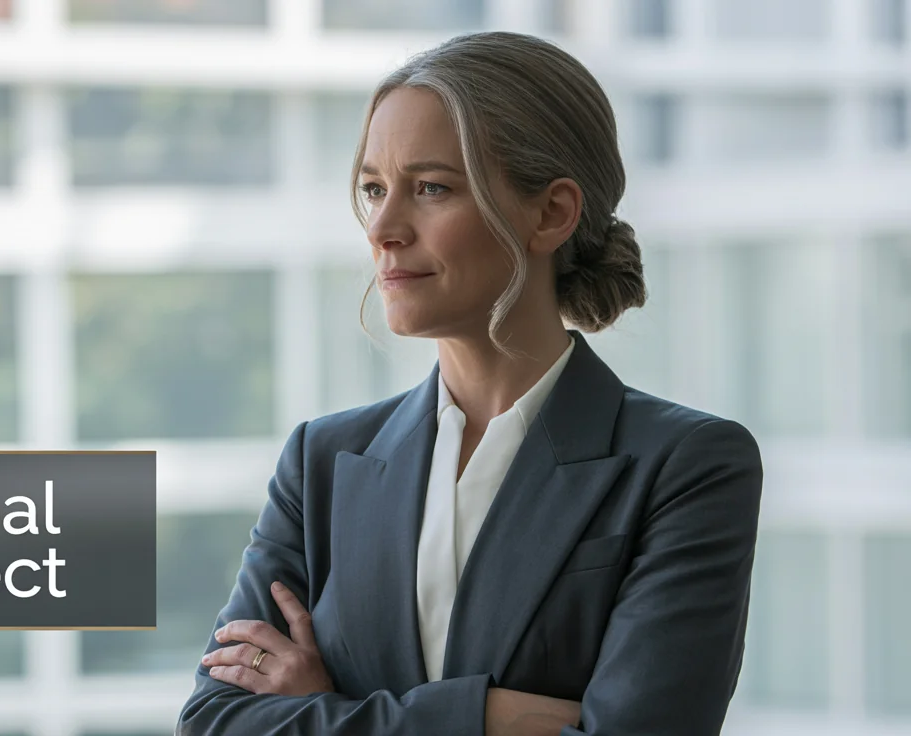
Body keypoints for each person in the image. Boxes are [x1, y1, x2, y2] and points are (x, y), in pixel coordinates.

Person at [177, 30, 763, 736]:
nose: (384, 228)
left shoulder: (686, 466)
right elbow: (214, 721)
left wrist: (322, 706)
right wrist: (481, 715)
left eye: (431, 188)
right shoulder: (323, 462)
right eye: (373, 189)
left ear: (551, 213)